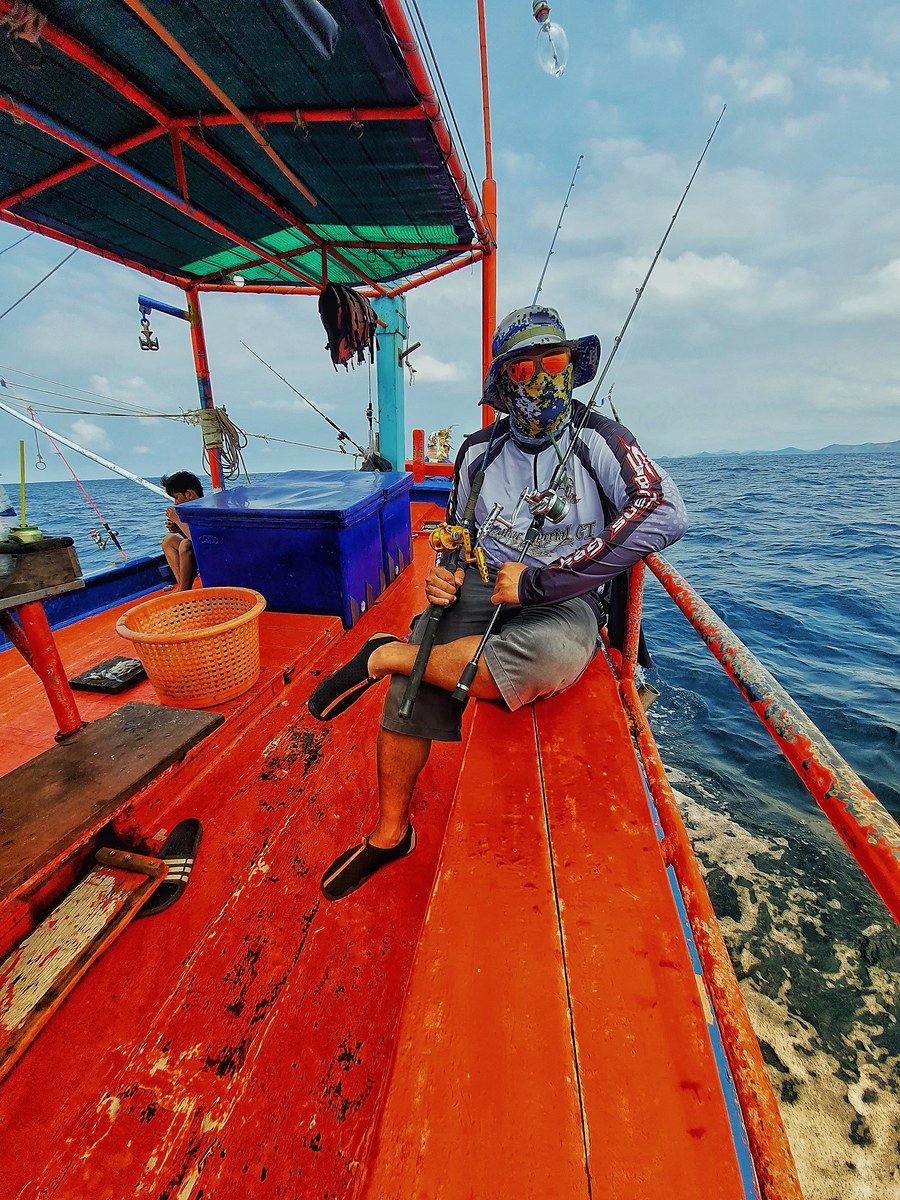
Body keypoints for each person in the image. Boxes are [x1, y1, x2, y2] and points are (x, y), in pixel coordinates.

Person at [308, 305, 688, 901]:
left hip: (565, 594)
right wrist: (444, 577)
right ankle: (390, 832)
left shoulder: (602, 439)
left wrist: (545, 582)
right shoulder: (477, 453)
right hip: (486, 582)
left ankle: (391, 653)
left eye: (553, 362)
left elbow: (664, 509)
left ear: (570, 369)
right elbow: (456, 534)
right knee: (414, 685)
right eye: (522, 370)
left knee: (543, 661)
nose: (540, 380)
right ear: (503, 385)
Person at [160, 471, 204, 591]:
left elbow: (199, 541)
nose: (176, 503)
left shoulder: (204, 510)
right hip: (200, 550)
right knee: (169, 540)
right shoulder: (189, 512)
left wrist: (177, 520)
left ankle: (183, 592)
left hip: (210, 554)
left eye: (176, 497)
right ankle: (182, 586)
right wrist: (179, 529)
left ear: (189, 494)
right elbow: (190, 535)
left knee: (185, 544)